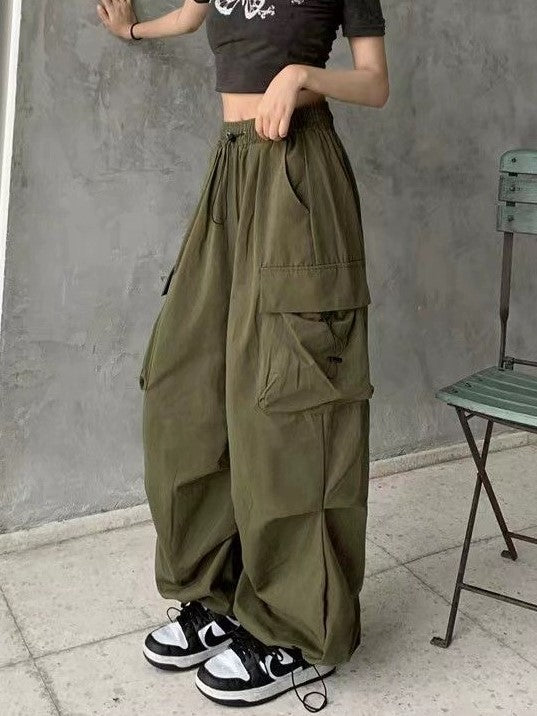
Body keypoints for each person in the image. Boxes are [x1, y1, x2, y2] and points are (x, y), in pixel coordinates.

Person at [97, 0, 388, 710]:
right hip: (229, 170)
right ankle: (218, 593)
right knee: (187, 385)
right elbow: (191, 15)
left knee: (291, 405)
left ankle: (298, 629)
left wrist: (303, 76)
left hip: (298, 172)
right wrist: (132, 29)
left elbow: (375, 82)